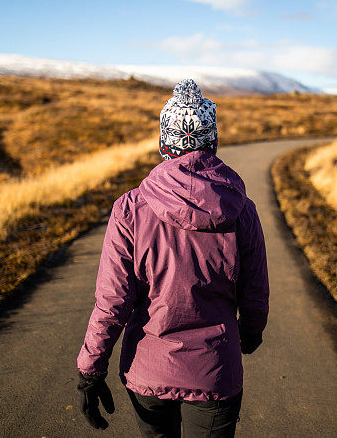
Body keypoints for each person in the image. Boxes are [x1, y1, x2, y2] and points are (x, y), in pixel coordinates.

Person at [76, 79, 269, 437]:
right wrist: (250, 334)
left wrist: (91, 369)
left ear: (164, 143)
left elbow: (112, 301)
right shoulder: (243, 210)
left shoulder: (131, 209)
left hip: (148, 368)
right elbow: (255, 292)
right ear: (213, 142)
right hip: (215, 371)